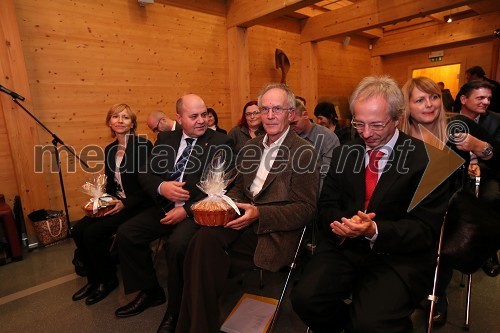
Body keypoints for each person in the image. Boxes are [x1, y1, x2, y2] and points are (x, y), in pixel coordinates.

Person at [291, 76, 449, 333]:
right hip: (344, 247)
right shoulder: (345, 152)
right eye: (359, 123)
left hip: (397, 256)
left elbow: (424, 230)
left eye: (376, 125)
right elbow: (327, 204)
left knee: (372, 323)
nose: (365, 133)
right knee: (305, 300)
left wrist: (374, 230)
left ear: (397, 118)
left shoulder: (430, 161)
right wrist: (341, 225)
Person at [176, 83, 320, 333]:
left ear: (290, 113)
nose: (270, 115)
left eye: (277, 108)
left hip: (272, 231)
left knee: (200, 253)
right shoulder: (250, 148)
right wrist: (226, 204)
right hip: (239, 220)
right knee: (200, 244)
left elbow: (306, 209)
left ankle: (189, 327)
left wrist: (260, 214)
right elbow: (237, 188)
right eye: (265, 109)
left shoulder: (304, 152)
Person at [113, 94, 233, 332]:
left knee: (177, 246)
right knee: (127, 233)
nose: (201, 121)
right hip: (163, 206)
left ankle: (176, 310)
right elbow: (146, 173)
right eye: (194, 116)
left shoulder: (221, 141)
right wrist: (162, 187)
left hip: (197, 212)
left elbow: (222, 189)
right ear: (179, 117)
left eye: (204, 114)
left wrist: (186, 211)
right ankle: (150, 291)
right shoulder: (167, 138)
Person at [400, 77, 499, 324]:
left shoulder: (458, 125)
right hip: (409, 203)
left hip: (449, 205)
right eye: (420, 100)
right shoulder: (398, 133)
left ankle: (437, 293)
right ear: (407, 105)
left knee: (439, 232)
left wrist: (480, 146)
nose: (429, 104)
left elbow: (497, 155)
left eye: (434, 97)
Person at [71, 103, 153, 305]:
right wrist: (100, 201)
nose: (120, 120)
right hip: (115, 203)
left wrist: (125, 204)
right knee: (78, 229)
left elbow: (150, 185)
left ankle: (107, 280)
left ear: (132, 123)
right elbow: (111, 185)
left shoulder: (144, 146)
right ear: (109, 121)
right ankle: (93, 279)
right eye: (115, 116)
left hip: (137, 205)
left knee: (93, 233)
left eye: (125, 117)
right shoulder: (109, 150)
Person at [457, 80, 500, 277]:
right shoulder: (448, 120)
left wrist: (480, 157)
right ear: (464, 99)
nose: (486, 102)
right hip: (456, 174)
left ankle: (487, 251)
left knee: (490, 198)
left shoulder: (496, 121)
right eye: (480, 97)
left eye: (489, 98)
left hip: (487, 173)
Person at [290, 98, 340, 190]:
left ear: (305, 115)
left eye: (294, 123)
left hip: (319, 195)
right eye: (289, 124)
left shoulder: (328, 138)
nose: (292, 127)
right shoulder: (289, 137)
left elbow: (326, 176)